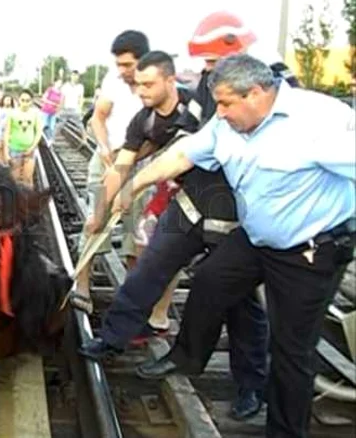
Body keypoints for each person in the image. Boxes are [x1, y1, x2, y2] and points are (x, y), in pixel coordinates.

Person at [125, 54, 355, 438]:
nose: (222, 113)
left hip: (310, 250)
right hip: (256, 239)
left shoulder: (318, 122)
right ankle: (187, 356)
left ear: (257, 94)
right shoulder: (226, 123)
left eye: (228, 104)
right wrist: (129, 187)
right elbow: (181, 155)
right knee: (209, 281)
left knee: (291, 351)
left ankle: (284, 431)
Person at [82, 51, 191, 342]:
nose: (140, 91)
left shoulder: (197, 106)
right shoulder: (143, 120)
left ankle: (160, 314)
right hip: (171, 189)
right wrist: (100, 211)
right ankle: (152, 317)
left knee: (182, 255)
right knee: (152, 244)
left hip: (211, 189)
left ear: (170, 80)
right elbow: (121, 167)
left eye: (148, 85)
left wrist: (135, 188)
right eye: (138, 85)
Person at [72, 30, 148, 315]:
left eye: (127, 64)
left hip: (141, 163)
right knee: (96, 220)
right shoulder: (113, 82)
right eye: (119, 64)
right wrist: (103, 147)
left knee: (136, 230)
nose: (122, 70)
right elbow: (98, 117)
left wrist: (130, 162)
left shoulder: (153, 82)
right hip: (109, 159)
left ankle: (131, 293)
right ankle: (82, 282)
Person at [3, 89, 43, 188]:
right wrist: (6, 152)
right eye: (23, 100)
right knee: (14, 179)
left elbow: (38, 132)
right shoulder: (12, 113)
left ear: (31, 101)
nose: (25, 103)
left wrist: (32, 147)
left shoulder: (35, 114)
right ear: (19, 100)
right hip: (14, 149)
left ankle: (28, 200)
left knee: (28, 179)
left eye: (27, 100)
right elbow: (7, 132)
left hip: (29, 150)